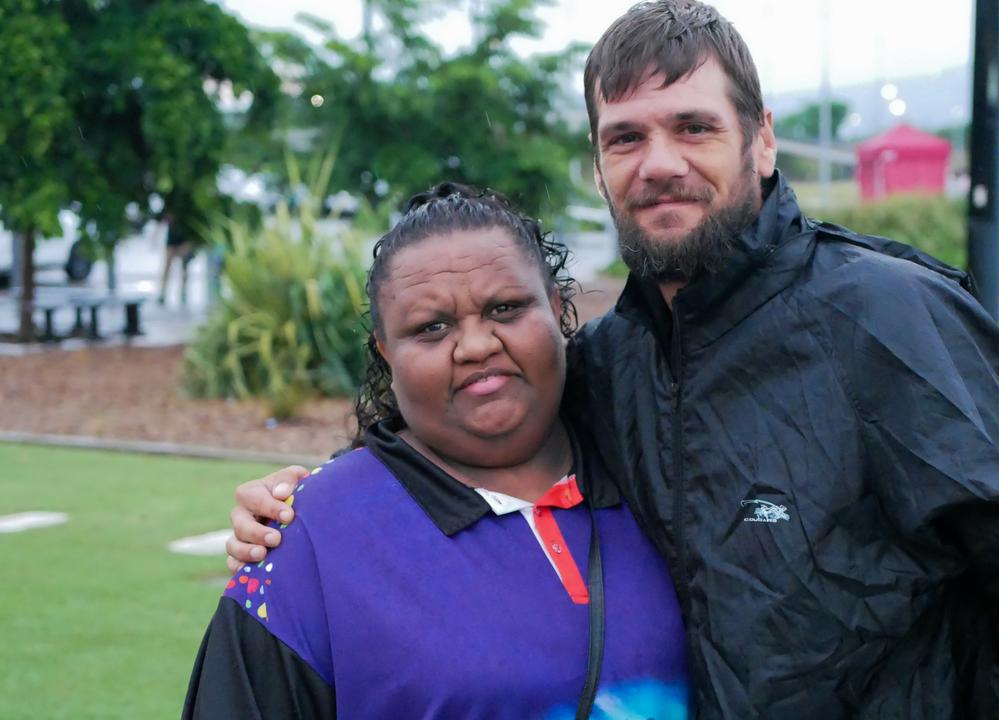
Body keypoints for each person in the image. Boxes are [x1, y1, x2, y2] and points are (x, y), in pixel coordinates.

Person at [225, 1, 999, 717]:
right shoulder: (611, 363)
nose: (658, 162)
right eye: (625, 137)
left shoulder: (890, 320)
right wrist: (300, 505)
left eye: (693, 127)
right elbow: (470, 419)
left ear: (760, 141)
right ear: (600, 168)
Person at [184, 185, 690, 718]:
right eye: (433, 327)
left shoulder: (656, 473)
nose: (476, 346)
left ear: (557, 309)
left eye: (506, 308)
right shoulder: (304, 539)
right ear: (386, 350)